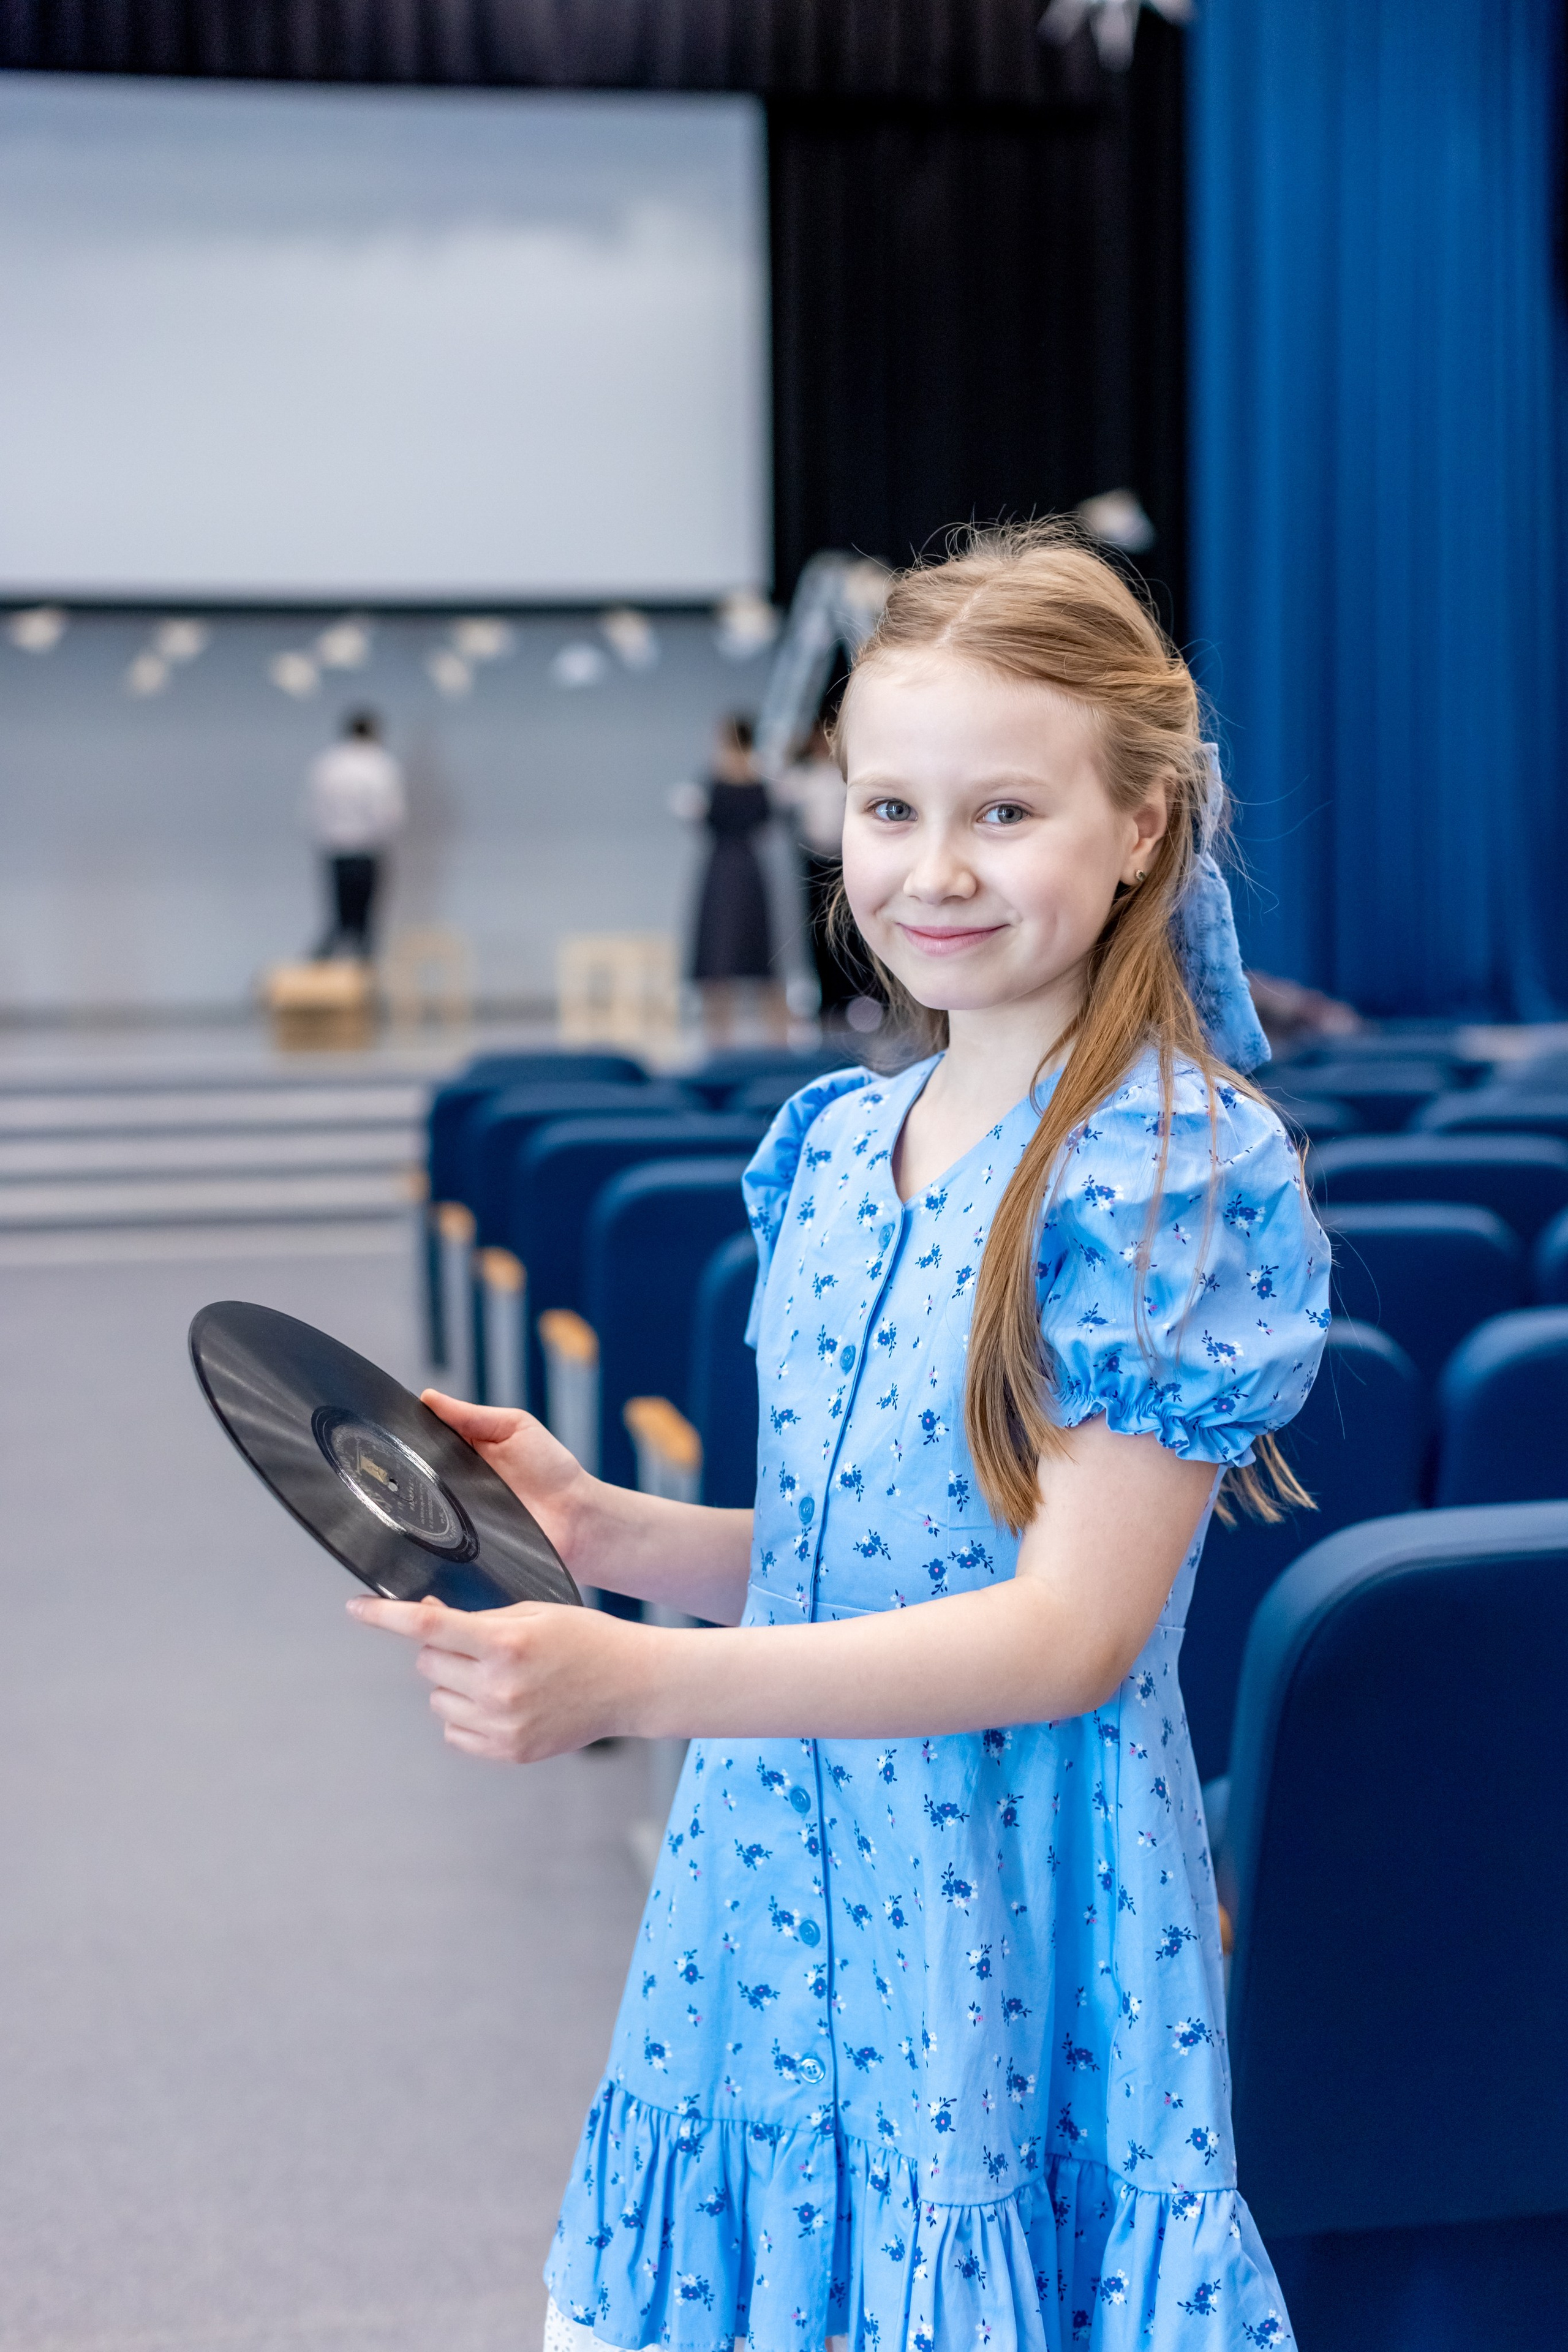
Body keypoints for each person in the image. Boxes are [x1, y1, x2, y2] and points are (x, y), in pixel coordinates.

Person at [351, 523, 1329, 2351]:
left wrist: (628, 1684)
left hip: (1002, 1895)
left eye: (1002, 812)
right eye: (887, 809)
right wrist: (611, 1525)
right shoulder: (830, 1140)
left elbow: (1063, 1632)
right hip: (769, 1878)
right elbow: (860, 1539)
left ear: (1138, 825)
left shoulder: (1171, 1167)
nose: (932, 869)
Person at [685, 714, 783, 1038]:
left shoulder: (717, 778)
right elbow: (766, 821)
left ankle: (719, 1036)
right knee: (751, 955)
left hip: (724, 867)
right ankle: (776, 1038)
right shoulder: (760, 778)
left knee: (720, 955)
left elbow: (709, 821)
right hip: (749, 867)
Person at [773, 718, 864, 1023]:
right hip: (814, 863)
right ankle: (826, 1000)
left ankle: (855, 994)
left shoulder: (844, 777)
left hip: (844, 861)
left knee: (849, 930)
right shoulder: (803, 778)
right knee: (818, 930)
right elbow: (777, 791)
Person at [304, 709, 404, 959]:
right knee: (365, 922)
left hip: (336, 850)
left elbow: (312, 810)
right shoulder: (379, 764)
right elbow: (390, 814)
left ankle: (321, 969)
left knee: (341, 918)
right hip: (367, 851)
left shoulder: (327, 764)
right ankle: (362, 975)